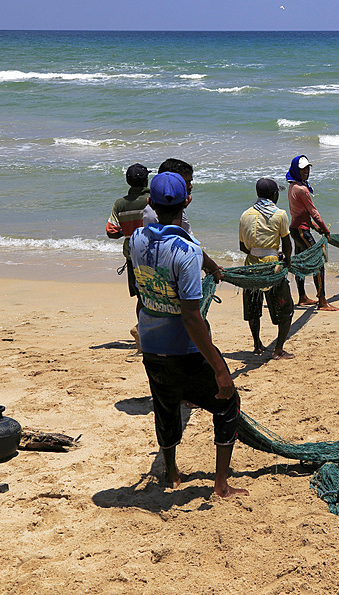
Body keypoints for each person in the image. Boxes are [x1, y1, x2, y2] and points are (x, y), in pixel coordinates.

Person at [129, 172, 246, 498]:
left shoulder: (136, 239)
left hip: (151, 346)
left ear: (150, 202)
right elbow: (192, 318)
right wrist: (221, 369)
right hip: (185, 349)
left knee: (165, 407)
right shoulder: (186, 252)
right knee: (227, 404)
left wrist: (209, 265)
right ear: (188, 202)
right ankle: (221, 485)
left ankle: (171, 471)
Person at [142, 158, 223, 282]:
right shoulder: (154, 214)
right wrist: (209, 265)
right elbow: (180, 247)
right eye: (186, 182)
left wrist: (205, 264)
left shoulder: (170, 209)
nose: (190, 186)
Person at [240, 178, 295, 359]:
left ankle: (257, 345)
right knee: (286, 310)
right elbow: (287, 244)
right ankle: (278, 350)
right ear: (274, 195)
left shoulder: (245, 215)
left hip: (250, 268)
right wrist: (286, 261)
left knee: (254, 310)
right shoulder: (279, 214)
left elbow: (242, 247)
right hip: (273, 268)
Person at [106, 163, 150, 350]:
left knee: (141, 296)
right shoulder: (152, 199)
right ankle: (143, 330)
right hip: (153, 252)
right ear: (147, 180)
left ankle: (142, 331)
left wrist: (127, 230)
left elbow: (111, 231)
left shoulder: (120, 204)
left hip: (132, 255)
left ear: (128, 181)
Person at [286, 155, 337, 311]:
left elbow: (301, 213)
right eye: (302, 169)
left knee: (301, 263)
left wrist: (314, 227)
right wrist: (326, 230)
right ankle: (321, 300)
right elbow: (313, 212)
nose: (306, 172)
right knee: (318, 261)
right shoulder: (302, 189)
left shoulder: (293, 186)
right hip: (301, 231)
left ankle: (302, 297)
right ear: (296, 170)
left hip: (296, 230)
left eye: (307, 168)